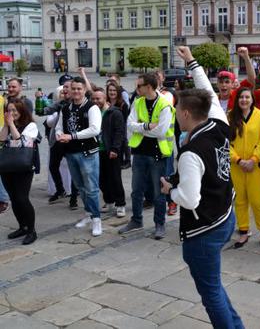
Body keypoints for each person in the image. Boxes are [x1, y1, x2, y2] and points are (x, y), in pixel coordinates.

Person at [159, 46, 241, 329]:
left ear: (184, 114)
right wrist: (191, 62)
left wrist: (169, 190)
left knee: (210, 293)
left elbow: (190, 199)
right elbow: (206, 89)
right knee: (215, 286)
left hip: (204, 227)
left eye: (176, 111)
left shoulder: (192, 151)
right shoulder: (218, 121)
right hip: (225, 214)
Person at [119, 72, 175, 240]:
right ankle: (136, 220)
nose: (136, 89)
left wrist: (141, 128)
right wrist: (147, 126)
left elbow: (162, 131)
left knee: (159, 193)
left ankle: (160, 224)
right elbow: (129, 124)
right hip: (140, 153)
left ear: (149, 87)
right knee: (136, 190)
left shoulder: (165, 104)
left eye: (139, 86)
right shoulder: (138, 101)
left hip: (158, 154)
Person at [55, 77, 103, 237]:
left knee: (92, 187)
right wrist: (59, 134)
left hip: (88, 153)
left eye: (78, 89)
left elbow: (95, 129)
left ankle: (97, 219)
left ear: (84, 90)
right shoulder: (66, 108)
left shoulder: (91, 107)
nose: (75, 91)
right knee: (80, 186)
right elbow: (59, 127)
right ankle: (89, 214)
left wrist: (72, 136)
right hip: (71, 153)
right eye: (73, 88)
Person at [228, 87, 260, 249]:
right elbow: (226, 143)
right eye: (241, 97)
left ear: (252, 99)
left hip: (256, 166)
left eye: (247, 97)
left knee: (257, 200)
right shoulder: (230, 116)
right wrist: (238, 160)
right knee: (240, 200)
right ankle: (243, 231)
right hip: (237, 166)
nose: (244, 100)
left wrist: (253, 159)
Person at [0, 100, 39, 244]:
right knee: (14, 199)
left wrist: (11, 125)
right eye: (9, 111)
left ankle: (31, 230)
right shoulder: (8, 125)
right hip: (7, 166)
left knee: (22, 198)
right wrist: (6, 125)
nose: (12, 113)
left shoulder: (31, 126)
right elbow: (1, 139)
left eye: (15, 110)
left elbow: (21, 142)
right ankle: (22, 226)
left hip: (23, 167)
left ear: (21, 111)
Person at [91, 88, 126, 218]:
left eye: (98, 98)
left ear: (104, 98)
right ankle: (109, 201)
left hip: (110, 150)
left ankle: (120, 204)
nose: (95, 101)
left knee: (115, 178)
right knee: (101, 179)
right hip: (96, 151)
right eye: (93, 99)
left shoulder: (114, 112)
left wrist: (115, 149)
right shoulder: (93, 112)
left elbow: (119, 132)